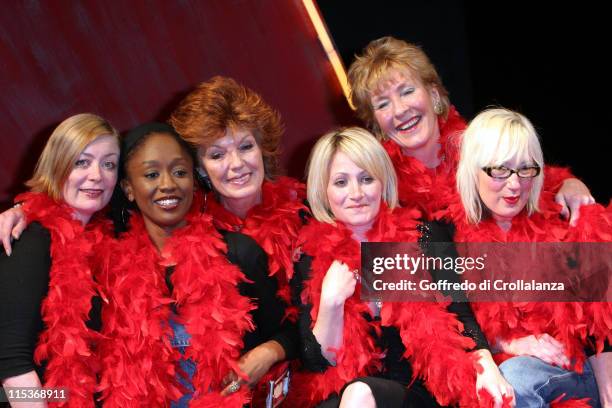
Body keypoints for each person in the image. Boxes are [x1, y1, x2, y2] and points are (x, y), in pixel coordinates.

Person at [287, 127, 508, 407]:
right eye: (341, 182)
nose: (356, 193)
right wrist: (331, 303)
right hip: (349, 393)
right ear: (324, 190)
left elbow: (461, 316)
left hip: (424, 392)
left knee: (360, 394)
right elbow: (318, 362)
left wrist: (487, 366)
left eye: (366, 179)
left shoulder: (424, 238)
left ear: (382, 182)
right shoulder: (310, 257)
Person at [96, 123, 294, 406]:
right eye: (152, 174)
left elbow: (293, 333)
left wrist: (269, 352)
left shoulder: (237, 252)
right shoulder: (109, 270)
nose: (168, 184)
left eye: (179, 172)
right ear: (128, 188)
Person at [445, 108, 611, 407]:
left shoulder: (565, 217)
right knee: (505, 382)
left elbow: (603, 320)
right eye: (500, 170)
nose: (515, 184)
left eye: (526, 169)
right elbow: (454, 322)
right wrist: (511, 342)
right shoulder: (448, 236)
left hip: (576, 368)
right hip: (504, 369)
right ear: (473, 169)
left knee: (515, 379)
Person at [346, 36, 595, 223]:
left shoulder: (482, 145)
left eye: (407, 91)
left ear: (433, 95)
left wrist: (570, 183)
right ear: (375, 121)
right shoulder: (373, 182)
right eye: (383, 104)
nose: (399, 110)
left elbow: (533, 176)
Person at [0, 113, 120, 406]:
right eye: (82, 162)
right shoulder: (31, 240)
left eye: (109, 164)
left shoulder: (106, 237)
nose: (97, 175)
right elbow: (10, 361)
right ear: (57, 165)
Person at [169, 76, 309, 315]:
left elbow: (390, 285)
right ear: (200, 168)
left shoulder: (310, 208)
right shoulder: (191, 244)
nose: (236, 164)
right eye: (217, 155)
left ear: (262, 148)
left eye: (245, 147)